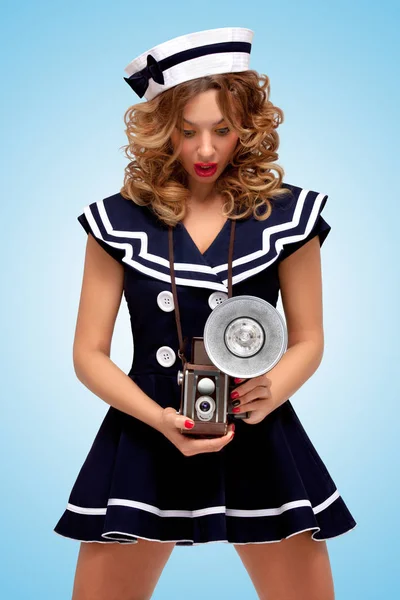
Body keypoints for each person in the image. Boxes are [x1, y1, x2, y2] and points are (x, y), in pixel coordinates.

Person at [54, 26, 357, 600]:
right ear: (161, 128)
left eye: (222, 130)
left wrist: (273, 387)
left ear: (249, 125)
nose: (206, 150)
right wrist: (159, 418)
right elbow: (87, 354)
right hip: (145, 429)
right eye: (187, 131)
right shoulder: (115, 220)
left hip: (256, 426)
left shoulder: (288, 216)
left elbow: (309, 337)